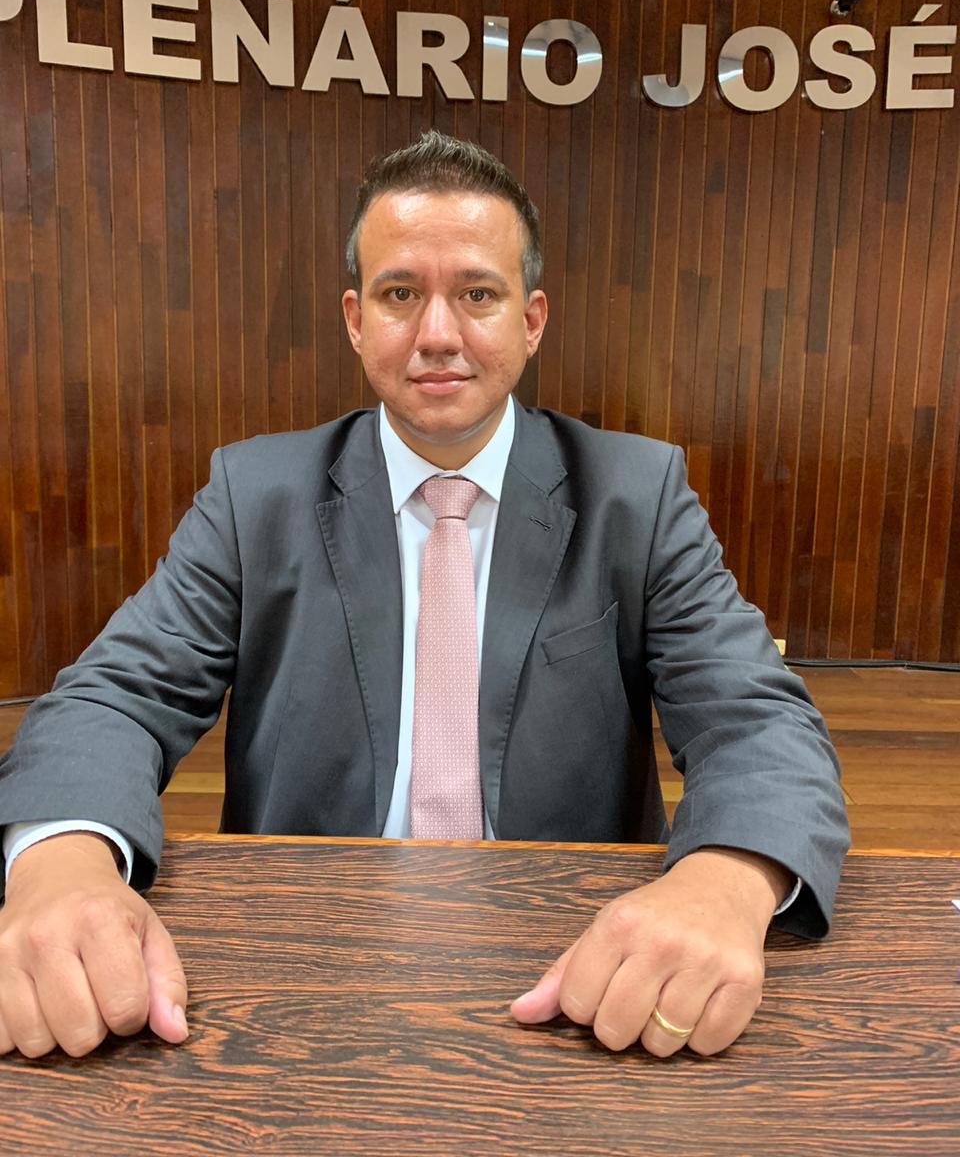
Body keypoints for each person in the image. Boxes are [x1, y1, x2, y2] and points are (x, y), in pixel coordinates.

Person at [0, 132, 849, 1063]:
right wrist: (61, 868)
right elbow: (115, 697)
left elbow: (756, 720)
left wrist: (722, 885)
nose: (438, 334)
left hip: (575, 961)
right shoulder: (256, 497)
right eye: (401, 294)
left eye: (477, 295)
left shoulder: (635, 497)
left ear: (531, 320)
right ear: (356, 319)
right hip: (298, 967)